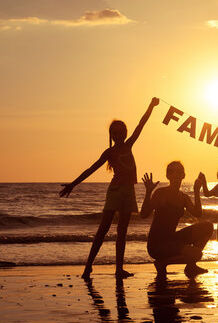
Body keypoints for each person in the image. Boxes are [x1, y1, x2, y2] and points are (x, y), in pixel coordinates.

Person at [59, 97, 159, 280]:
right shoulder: (109, 153)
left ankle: (119, 269)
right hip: (115, 191)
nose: (119, 135)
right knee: (103, 230)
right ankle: (88, 267)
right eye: (115, 133)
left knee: (122, 232)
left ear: (125, 133)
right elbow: (90, 169)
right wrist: (73, 184)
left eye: (122, 132)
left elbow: (141, 124)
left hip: (129, 192)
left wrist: (151, 106)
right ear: (111, 135)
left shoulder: (129, 144)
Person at [141, 161, 213, 278]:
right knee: (196, 254)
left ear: (183, 175)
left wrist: (196, 191)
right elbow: (144, 214)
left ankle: (191, 265)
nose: (175, 173)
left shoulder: (183, 197)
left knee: (208, 226)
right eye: (171, 171)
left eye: (178, 171)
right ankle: (162, 263)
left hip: (172, 239)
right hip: (157, 245)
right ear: (167, 176)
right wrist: (148, 191)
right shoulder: (160, 193)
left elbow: (197, 214)